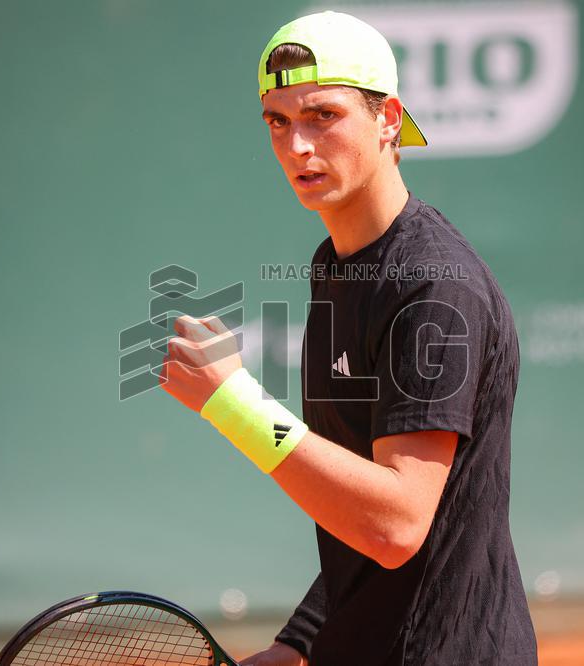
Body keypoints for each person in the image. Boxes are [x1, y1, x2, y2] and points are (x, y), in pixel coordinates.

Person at [159, 10, 537, 666]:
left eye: (322, 116)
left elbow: (394, 524)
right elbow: (354, 495)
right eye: (278, 121)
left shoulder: (433, 290)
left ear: (389, 118)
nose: (297, 146)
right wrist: (299, 641)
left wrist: (234, 404)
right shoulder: (336, 265)